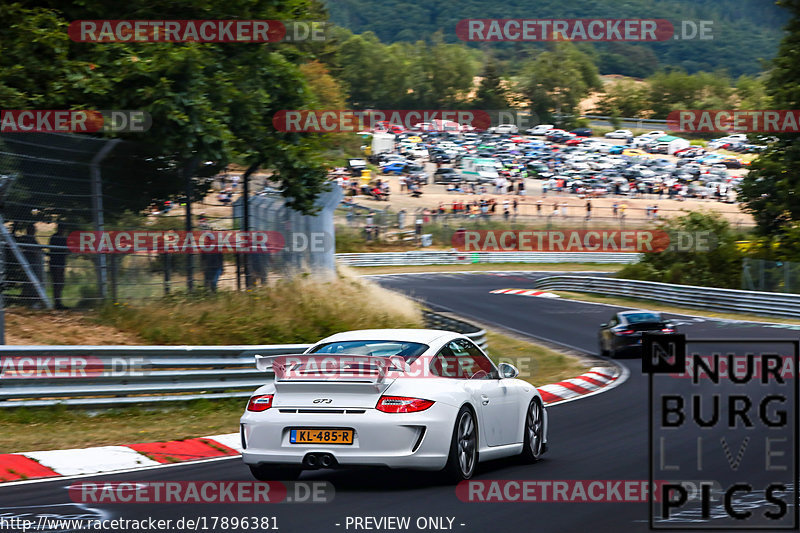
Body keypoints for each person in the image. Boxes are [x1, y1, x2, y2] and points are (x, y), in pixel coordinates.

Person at [18, 224, 44, 306]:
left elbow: (38, 250)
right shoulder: (27, 240)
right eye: (31, 230)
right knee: (31, 283)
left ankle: (33, 301)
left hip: (35, 264)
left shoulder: (33, 240)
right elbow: (32, 250)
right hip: (31, 264)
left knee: (35, 283)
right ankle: (31, 302)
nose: (33, 232)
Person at [48, 224, 68, 310]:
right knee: (57, 283)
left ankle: (58, 302)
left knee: (61, 283)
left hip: (61, 263)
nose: (62, 231)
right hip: (56, 262)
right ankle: (57, 303)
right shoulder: (55, 237)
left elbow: (67, 250)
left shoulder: (63, 238)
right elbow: (57, 250)